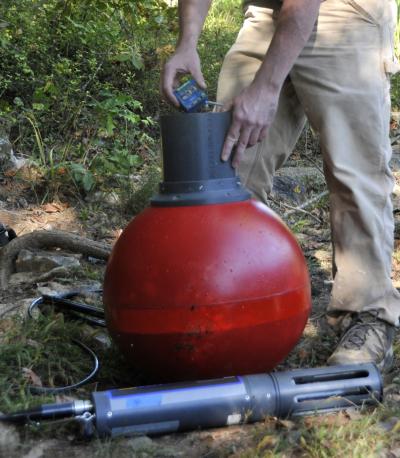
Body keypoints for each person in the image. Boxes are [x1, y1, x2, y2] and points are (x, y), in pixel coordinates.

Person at [161, 0, 400, 372]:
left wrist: (266, 86)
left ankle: (369, 315)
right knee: (227, 168)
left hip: (347, 13)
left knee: (354, 172)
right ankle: (232, 302)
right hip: (267, 10)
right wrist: (187, 42)